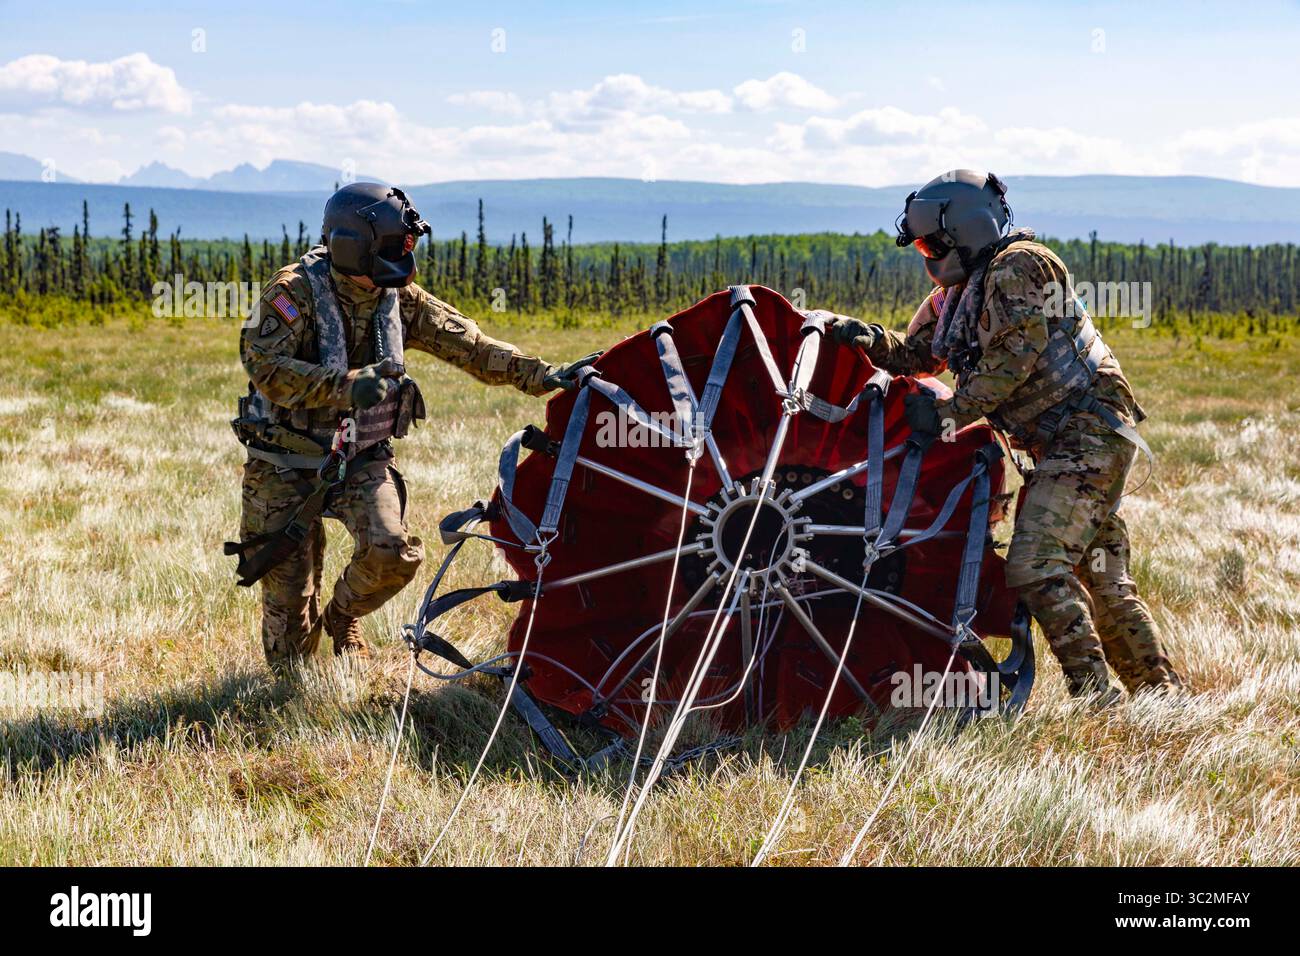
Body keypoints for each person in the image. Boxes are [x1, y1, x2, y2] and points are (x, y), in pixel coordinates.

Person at [830, 169, 1183, 703]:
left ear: (964, 231)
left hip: (1087, 434)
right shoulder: (955, 295)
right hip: (1061, 445)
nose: (927, 253)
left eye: (932, 242)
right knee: (1101, 573)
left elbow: (1009, 363)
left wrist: (951, 414)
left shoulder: (1022, 267)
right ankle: (1163, 703)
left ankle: (1098, 699)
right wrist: (870, 340)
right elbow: (920, 356)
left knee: (1036, 567)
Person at [227, 182, 597, 669]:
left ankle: (343, 616)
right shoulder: (292, 293)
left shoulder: (398, 297)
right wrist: (344, 385)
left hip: (359, 457)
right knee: (289, 647)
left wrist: (543, 375)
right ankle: (295, 666)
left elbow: (470, 345)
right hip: (284, 463)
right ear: (351, 249)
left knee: (392, 553)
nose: (392, 274)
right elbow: (263, 365)